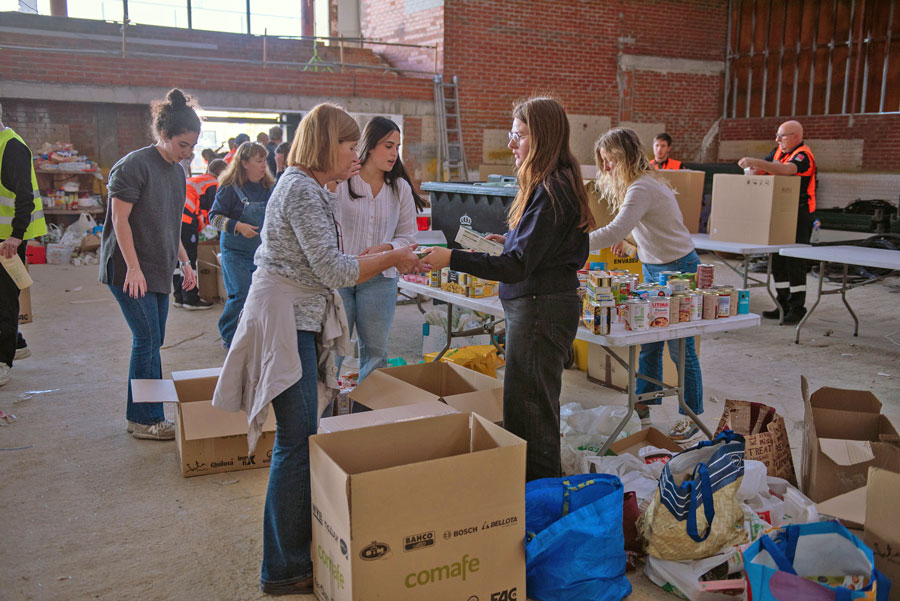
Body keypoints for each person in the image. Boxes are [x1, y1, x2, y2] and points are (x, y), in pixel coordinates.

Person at [211, 102, 420, 596]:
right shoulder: (303, 189)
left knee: (301, 436)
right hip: (286, 320)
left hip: (297, 319)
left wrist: (372, 255)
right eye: (351, 145)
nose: (356, 154)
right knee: (296, 441)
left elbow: (330, 260)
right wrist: (392, 256)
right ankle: (284, 568)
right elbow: (334, 272)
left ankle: (292, 555)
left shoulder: (309, 188)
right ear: (328, 143)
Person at [423, 97, 595, 481]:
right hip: (539, 307)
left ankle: (539, 499)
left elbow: (516, 267)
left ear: (543, 138)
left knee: (530, 412)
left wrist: (451, 257)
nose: (511, 145)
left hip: (540, 311)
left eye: (519, 136)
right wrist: (512, 240)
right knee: (530, 407)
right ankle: (534, 493)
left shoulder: (552, 189)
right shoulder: (555, 183)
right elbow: (544, 251)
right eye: (511, 135)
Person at [98, 88, 200, 440]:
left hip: (158, 269)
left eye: (192, 146)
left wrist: (185, 263)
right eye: (182, 145)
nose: (188, 152)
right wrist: (134, 269)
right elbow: (120, 221)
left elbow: (171, 225)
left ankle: (140, 414)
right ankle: (146, 419)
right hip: (128, 270)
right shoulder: (134, 166)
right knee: (146, 338)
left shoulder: (177, 174)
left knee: (152, 341)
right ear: (164, 135)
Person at [589, 127, 703, 440]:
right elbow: (643, 228)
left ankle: (691, 414)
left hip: (679, 269)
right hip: (654, 269)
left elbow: (613, 230)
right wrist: (631, 243)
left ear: (624, 156)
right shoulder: (641, 184)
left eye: (609, 160)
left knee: (681, 348)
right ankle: (642, 406)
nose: (607, 168)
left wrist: (571, 245)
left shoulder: (642, 187)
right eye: (603, 162)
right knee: (649, 345)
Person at [334, 117, 425, 382]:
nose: (394, 153)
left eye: (397, 146)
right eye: (388, 146)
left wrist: (386, 248)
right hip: (340, 276)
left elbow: (409, 237)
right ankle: (323, 419)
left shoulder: (399, 188)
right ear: (370, 145)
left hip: (380, 281)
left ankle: (369, 417)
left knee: (375, 354)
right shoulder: (344, 182)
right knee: (333, 353)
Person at [739, 120, 816, 324]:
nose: (777, 140)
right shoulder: (777, 152)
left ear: (796, 137)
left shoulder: (803, 155)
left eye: (781, 136)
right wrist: (753, 168)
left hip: (799, 216)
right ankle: (782, 303)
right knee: (777, 262)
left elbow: (787, 170)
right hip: (778, 214)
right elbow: (764, 169)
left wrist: (757, 162)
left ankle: (797, 307)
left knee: (795, 262)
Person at [208, 141, 274, 347]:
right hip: (235, 253)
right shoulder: (229, 188)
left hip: (262, 253)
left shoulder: (269, 187)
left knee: (263, 297)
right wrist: (238, 226)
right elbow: (214, 217)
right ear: (244, 163)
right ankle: (229, 336)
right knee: (241, 294)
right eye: (259, 161)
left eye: (265, 161)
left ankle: (254, 338)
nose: (264, 165)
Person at [0, 103, 47, 387]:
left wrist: (16, 236)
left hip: (9, 238)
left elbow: (24, 196)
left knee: (4, 302)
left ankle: (4, 362)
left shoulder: (12, 147)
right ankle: (16, 342)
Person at [174, 158, 227, 310]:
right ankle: (190, 298)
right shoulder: (214, 184)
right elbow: (215, 213)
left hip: (175, 219)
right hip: (186, 220)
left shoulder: (198, 180)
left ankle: (179, 296)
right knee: (189, 258)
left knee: (179, 258)